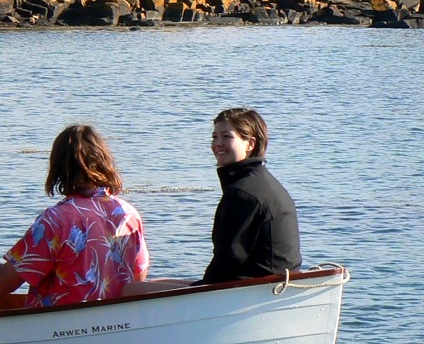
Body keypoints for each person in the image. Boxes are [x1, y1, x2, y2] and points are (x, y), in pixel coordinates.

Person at [0, 124, 149, 307]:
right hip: (115, 320)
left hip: (61, 326)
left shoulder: (55, 221)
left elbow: (5, 282)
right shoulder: (128, 214)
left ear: (58, 167)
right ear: (104, 162)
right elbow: (139, 276)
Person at [122, 107, 301, 294]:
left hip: (252, 291)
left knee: (130, 291)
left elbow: (230, 257)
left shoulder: (243, 193)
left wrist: (203, 289)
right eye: (214, 137)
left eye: (227, 137)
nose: (218, 144)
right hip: (263, 284)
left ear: (250, 144)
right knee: (156, 282)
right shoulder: (263, 183)